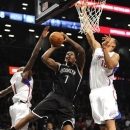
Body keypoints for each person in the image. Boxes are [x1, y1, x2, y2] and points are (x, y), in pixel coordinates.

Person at [10, 32, 86, 130]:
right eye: (67, 55)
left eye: (71, 55)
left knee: (68, 128)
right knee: (30, 117)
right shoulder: (59, 66)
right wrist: (54, 47)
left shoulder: (78, 68)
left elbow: (82, 51)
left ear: (76, 59)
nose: (68, 55)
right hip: (54, 96)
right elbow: (44, 58)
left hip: (67, 102)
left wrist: (68, 39)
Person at [0, 26, 50, 130]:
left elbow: (2, 93)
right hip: (22, 107)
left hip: (14, 108)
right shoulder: (24, 75)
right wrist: (41, 38)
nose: (30, 70)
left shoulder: (15, 82)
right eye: (26, 68)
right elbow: (34, 56)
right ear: (22, 70)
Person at [80, 6, 121, 130]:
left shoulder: (115, 55)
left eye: (110, 39)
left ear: (113, 45)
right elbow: (89, 33)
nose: (106, 38)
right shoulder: (97, 49)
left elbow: (110, 65)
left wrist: (104, 50)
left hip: (106, 90)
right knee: (102, 126)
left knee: (110, 122)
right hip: (94, 92)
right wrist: (83, 12)